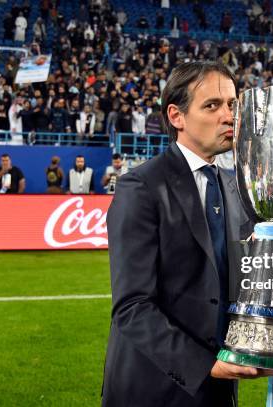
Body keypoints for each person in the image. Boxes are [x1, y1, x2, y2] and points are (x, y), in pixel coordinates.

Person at [102, 61, 261, 407]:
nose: (229, 116)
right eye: (212, 105)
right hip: (153, 391)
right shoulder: (140, 187)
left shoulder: (236, 188)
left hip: (218, 392)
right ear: (176, 116)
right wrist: (206, 366)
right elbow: (132, 306)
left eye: (233, 104)